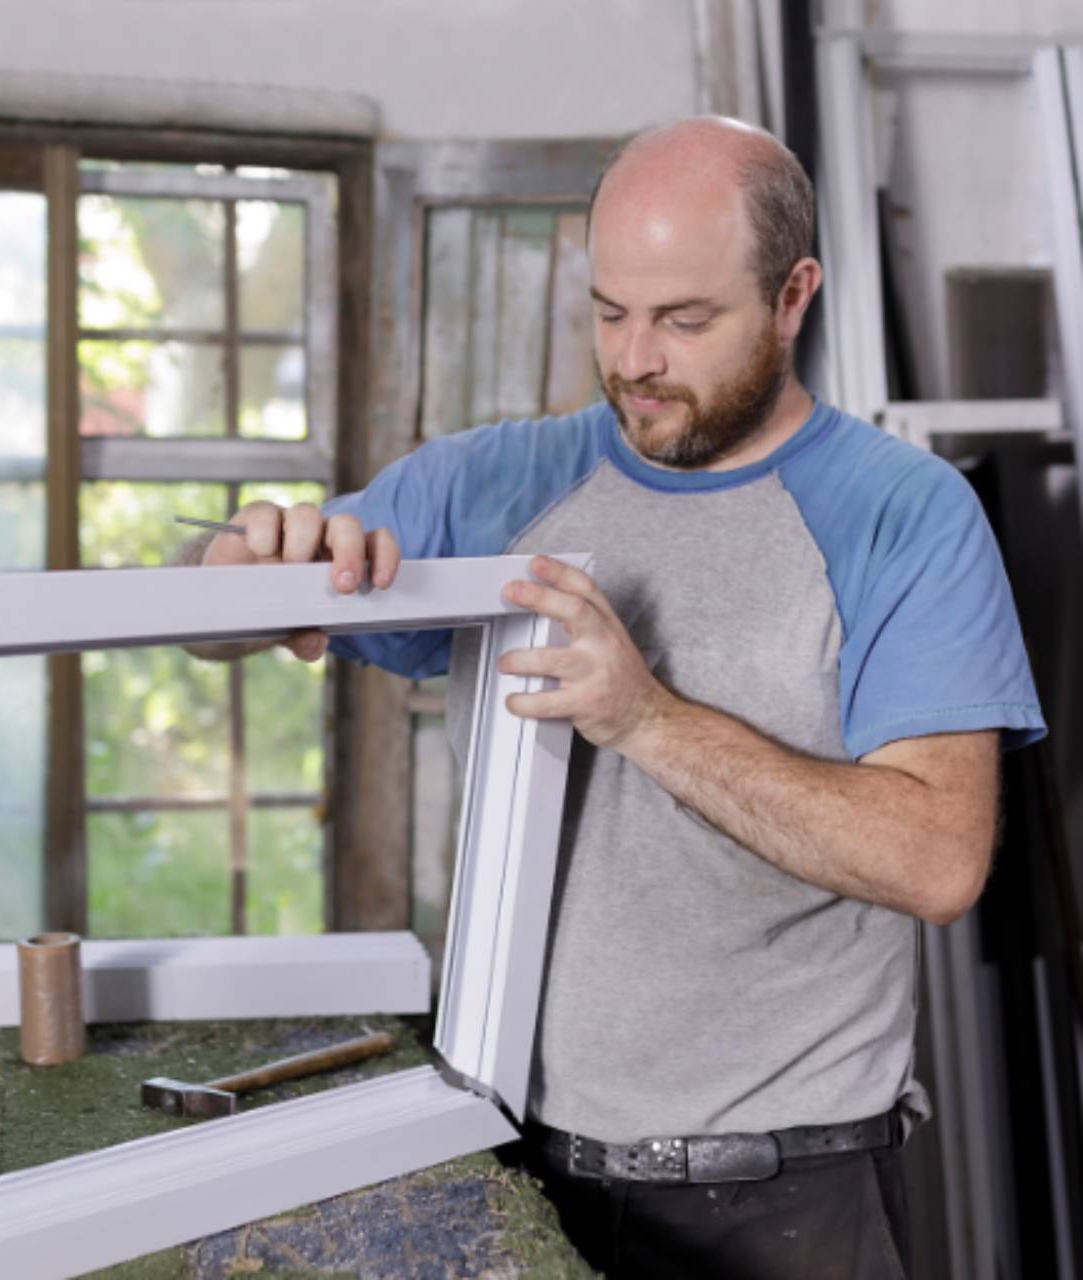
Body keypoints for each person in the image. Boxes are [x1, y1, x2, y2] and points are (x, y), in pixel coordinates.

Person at [187, 117, 1045, 1278]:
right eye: (607, 311)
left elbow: (936, 858)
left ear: (791, 297)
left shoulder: (904, 514)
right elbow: (211, 622)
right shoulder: (493, 484)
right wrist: (241, 559)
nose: (634, 358)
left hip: (789, 1192)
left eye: (684, 320)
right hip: (518, 1156)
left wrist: (647, 718)